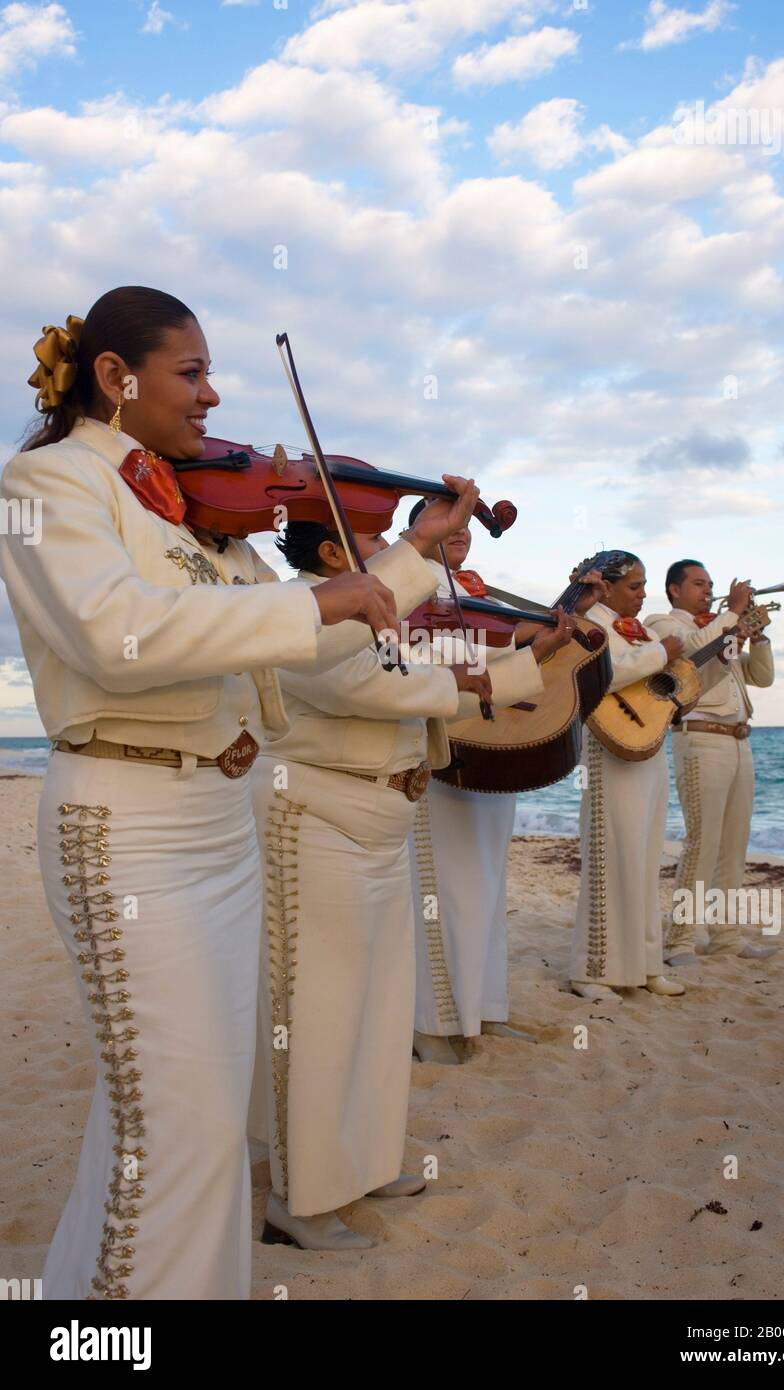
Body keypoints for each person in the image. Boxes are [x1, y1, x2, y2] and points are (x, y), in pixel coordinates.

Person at [0, 285, 478, 1299]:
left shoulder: (167, 505)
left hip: (219, 825)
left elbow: (317, 632)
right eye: (194, 372)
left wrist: (415, 555)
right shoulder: (44, 481)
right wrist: (312, 600)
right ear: (115, 377)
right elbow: (114, 631)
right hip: (127, 825)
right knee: (172, 1125)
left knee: (195, 1113)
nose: (213, 397)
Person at [248, 511, 569, 1249]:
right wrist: (494, 671)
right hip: (316, 813)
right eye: (375, 541)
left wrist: (528, 661)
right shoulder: (298, 611)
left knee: (381, 1004)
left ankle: (359, 1162)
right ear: (331, 553)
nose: (392, 552)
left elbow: (415, 680)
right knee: (320, 1012)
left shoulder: (360, 615)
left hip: (382, 813)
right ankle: (298, 1199)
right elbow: (372, 687)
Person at [409, 508, 601, 1063]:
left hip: (494, 741)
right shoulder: (412, 582)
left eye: (467, 520)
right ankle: (434, 1024)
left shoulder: (477, 589)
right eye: (446, 519)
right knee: (445, 893)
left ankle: (483, 1012)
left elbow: (521, 650)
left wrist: (570, 613)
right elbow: (437, 656)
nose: (462, 526)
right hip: (449, 743)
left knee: (487, 891)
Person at [568, 550, 686, 1005]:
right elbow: (602, 675)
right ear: (610, 586)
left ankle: (644, 964)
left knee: (645, 857)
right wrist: (661, 652)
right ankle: (592, 968)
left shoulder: (628, 628)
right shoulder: (589, 623)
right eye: (635, 586)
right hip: (607, 750)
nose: (641, 595)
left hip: (647, 745)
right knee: (609, 856)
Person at [647, 560, 779, 965]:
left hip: (740, 741)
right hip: (701, 739)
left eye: (710, 585)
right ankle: (681, 940)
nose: (708, 591)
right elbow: (693, 648)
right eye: (699, 584)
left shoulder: (721, 627)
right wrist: (735, 612)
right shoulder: (664, 624)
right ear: (674, 590)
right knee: (702, 843)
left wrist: (757, 637)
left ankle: (725, 937)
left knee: (733, 846)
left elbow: (762, 677)